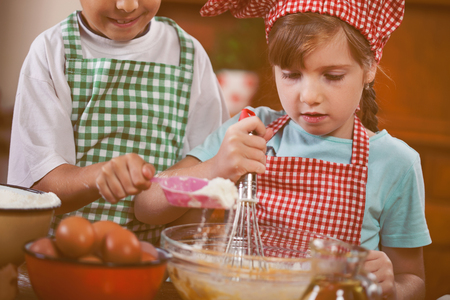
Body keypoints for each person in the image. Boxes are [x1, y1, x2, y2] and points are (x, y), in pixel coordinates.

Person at [133, 0, 431, 298]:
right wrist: (215, 168)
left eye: (333, 76)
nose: (309, 96)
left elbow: (413, 278)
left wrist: (390, 290)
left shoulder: (396, 163)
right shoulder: (249, 128)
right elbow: (146, 206)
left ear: (369, 69)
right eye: (291, 75)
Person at [7, 0, 230, 245]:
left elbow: (205, 176)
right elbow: (39, 188)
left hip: (154, 263)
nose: (127, 6)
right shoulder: (53, 50)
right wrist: (99, 176)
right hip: (61, 257)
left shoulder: (189, 55)